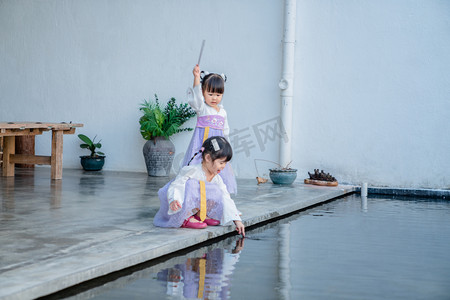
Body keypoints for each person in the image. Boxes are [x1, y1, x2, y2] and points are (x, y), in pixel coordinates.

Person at [154, 136, 245, 236]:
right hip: (178, 201)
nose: (223, 166)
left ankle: (200, 214)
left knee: (217, 191)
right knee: (192, 184)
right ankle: (185, 217)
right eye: (221, 162)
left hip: (195, 205)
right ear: (208, 158)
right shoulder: (192, 171)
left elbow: (225, 197)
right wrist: (174, 199)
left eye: (225, 163)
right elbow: (177, 185)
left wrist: (236, 220)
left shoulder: (216, 178)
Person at [181, 64, 237, 194]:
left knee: (217, 169)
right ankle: (195, 200)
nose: (214, 98)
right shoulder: (203, 109)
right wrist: (196, 77)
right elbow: (197, 99)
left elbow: (226, 130)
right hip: (201, 144)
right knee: (199, 169)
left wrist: (227, 146)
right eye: (210, 94)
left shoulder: (222, 112)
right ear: (203, 92)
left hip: (218, 147)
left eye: (218, 94)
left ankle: (217, 202)